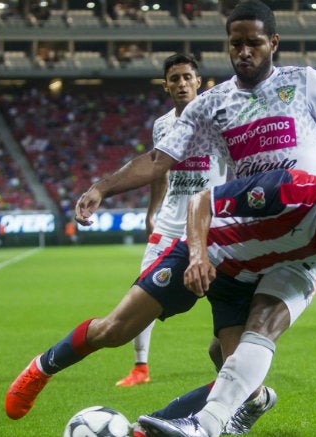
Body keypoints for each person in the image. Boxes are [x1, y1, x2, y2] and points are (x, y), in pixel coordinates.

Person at [7, 2, 316, 432]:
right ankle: (42, 367)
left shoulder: (304, 82)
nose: (244, 52)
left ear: (272, 42)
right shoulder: (212, 103)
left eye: (254, 43)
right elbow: (159, 160)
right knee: (117, 329)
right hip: (233, 234)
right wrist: (101, 187)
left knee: (240, 357)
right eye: (235, 44)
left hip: (298, 243)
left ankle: (186, 423)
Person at [6, 170, 316, 431]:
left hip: (246, 283)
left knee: (237, 370)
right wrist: (199, 255)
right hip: (206, 252)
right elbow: (201, 200)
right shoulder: (290, 189)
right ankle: (41, 368)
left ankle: (205, 418)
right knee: (115, 330)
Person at [116, 53, 228, 388]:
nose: (181, 84)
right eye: (174, 78)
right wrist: (152, 211)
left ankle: (231, 371)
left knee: (226, 296)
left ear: (199, 82)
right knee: (141, 289)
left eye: (187, 77)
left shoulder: (218, 120)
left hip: (212, 224)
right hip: (168, 223)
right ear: (166, 85)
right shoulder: (163, 125)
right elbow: (158, 172)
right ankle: (140, 368)